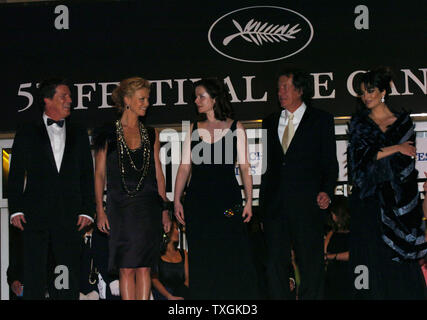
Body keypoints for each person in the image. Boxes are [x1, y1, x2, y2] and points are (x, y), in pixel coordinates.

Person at [8, 78, 95, 299]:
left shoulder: (78, 132)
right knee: (35, 278)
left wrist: (87, 210)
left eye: (69, 96)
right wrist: (15, 209)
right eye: (63, 96)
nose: (70, 100)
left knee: (65, 278)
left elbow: (87, 175)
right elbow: (16, 173)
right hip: (35, 219)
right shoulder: (27, 131)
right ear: (47, 100)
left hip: (69, 220)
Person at [173, 78, 258, 299]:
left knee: (229, 251)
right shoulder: (193, 128)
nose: (196, 100)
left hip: (228, 205)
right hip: (198, 205)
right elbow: (183, 168)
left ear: (214, 98)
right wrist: (176, 200)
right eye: (196, 97)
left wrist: (249, 200)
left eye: (201, 96)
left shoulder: (235, 127)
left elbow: (245, 167)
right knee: (202, 256)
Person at [347, 67, 427, 299]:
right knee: (369, 260)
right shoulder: (359, 124)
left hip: (397, 204)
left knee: (398, 261)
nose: (366, 96)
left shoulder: (402, 123)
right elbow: (358, 161)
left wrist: (380, 155)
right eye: (362, 93)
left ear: (383, 91)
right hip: (367, 202)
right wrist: (395, 149)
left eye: (370, 90)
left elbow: (405, 163)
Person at [259, 67, 338, 300]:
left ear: (300, 90)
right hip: (275, 207)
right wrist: (263, 209)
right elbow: (267, 169)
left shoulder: (321, 120)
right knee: (275, 264)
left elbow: (329, 162)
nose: (280, 92)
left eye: (285, 87)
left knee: (311, 263)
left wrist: (326, 190)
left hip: (307, 204)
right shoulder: (269, 121)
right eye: (278, 88)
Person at [94, 76, 171, 300]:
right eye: (142, 98)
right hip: (119, 207)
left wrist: (164, 208)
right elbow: (99, 174)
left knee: (145, 266)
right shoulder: (106, 133)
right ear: (127, 99)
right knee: (125, 267)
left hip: (148, 207)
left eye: (148, 99)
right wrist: (100, 209)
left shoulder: (151, 133)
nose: (147, 103)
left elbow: (158, 172)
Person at [151, 215, 189, 300]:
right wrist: (169, 296)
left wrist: (181, 293)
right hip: (162, 294)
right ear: (167, 231)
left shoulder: (183, 253)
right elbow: (154, 280)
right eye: (175, 229)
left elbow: (187, 278)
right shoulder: (156, 254)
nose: (178, 232)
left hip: (181, 292)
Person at [324, 195, 352, 300]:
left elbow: (354, 254)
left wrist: (331, 256)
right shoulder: (332, 232)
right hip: (333, 276)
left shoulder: (355, 234)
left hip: (350, 276)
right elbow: (324, 252)